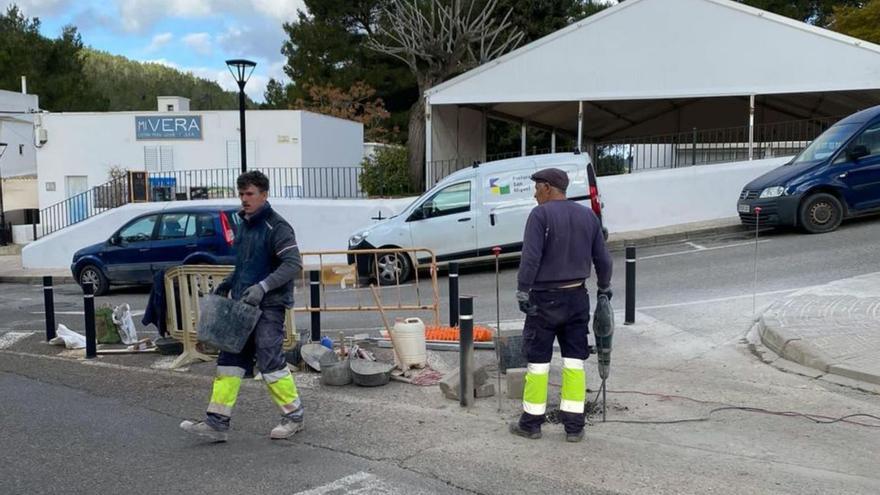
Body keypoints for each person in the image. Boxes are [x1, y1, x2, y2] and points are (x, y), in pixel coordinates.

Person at [180, 171, 304, 442]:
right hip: (243, 305)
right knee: (230, 361)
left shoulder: (277, 227)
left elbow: (292, 264)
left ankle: (293, 416)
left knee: (269, 359)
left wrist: (263, 287)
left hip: (270, 305)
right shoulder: (246, 225)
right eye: (241, 194)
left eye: (250, 194)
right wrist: (228, 283)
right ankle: (217, 422)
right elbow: (246, 264)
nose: (244, 199)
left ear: (264, 194)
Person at [509, 167, 613, 443]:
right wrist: (604, 287)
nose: (534, 194)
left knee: (538, 363)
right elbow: (603, 259)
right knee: (574, 363)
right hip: (577, 298)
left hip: (544, 301)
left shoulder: (540, 215)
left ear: (547, 188)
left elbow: (530, 257)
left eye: (536, 188)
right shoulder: (587, 216)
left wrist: (522, 290)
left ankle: (531, 424)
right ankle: (574, 427)